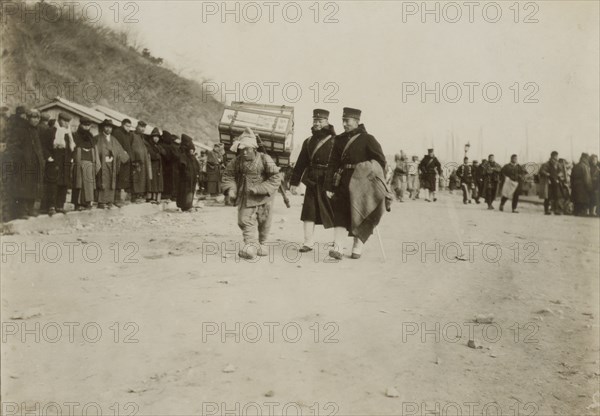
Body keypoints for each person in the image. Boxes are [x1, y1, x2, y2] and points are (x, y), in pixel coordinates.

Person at [325, 107, 387, 260]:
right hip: (343, 181)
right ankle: (338, 248)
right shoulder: (339, 140)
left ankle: (357, 248)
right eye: (343, 121)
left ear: (357, 121)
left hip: (362, 183)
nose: (344, 124)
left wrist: (370, 173)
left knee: (360, 213)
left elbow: (380, 161)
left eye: (347, 121)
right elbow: (332, 163)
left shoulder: (369, 139)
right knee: (339, 213)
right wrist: (328, 186)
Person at [221, 127, 282, 259]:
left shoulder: (265, 159)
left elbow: (275, 178)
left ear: (254, 148)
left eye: (247, 149)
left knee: (264, 220)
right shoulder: (236, 161)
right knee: (244, 220)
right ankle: (249, 245)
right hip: (245, 195)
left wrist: (259, 188)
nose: (244, 152)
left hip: (264, 197)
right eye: (242, 149)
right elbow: (228, 176)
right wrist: (231, 189)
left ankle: (262, 243)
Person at [289, 109, 336, 252]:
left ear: (327, 121)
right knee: (308, 211)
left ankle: (337, 241)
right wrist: (294, 182)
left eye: (320, 121)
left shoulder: (336, 140)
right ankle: (308, 242)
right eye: (315, 120)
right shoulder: (308, 141)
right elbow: (301, 163)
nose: (317, 123)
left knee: (335, 211)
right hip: (311, 180)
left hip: (329, 180)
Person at [5, 109, 45, 219]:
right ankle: (21, 212)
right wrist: (22, 157)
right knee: (23, 187)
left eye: (38, 118)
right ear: (28, 118)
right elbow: (13, 147)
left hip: (35, 163)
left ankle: (31, 209)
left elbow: (39, 147)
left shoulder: (36, 131)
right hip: (23, 163)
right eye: (33, 117)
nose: (36, 120)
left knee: (33, 187)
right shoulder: (21, 130)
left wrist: (41, 160)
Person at [41, 112, 74, 215]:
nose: (66, 123)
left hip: (65, 163)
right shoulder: (51, 131)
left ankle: (60, 206)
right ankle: (50, 206)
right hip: (54, 162)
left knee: (63, 184)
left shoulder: (68, 134)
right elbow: (44, 146)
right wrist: (49, 157)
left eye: (68, 121)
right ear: (59, 120)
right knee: (52, 184)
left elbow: (71, 148)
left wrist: (71, 158)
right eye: (64, 121)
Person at [95, 119, 129, 209]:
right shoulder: (97, 138)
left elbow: (121, 152)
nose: (108, 129)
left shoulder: (114, 139)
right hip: (102, 163)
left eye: (110, 127)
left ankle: (110, 200)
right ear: (103, 127)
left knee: (111, 181)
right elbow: (96, 151)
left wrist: (123, 155)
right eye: (106, 127)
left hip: (112, 163)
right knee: (102, 181)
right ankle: (101, 201)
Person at [71, 117, 100, 210]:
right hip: (79, 161)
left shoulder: (91, 136)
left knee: (89, 183)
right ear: (81, 125)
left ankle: (88, 202)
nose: (86, 127)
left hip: (90, 162)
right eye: (84, 125)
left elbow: (93, 148)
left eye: (88, 126)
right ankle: (78, 204)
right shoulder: (75, 135)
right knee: (79, 183)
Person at [176, 134, 201, 211]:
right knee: (184, 192)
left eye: (192, 150)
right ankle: (185, 206)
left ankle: (189, 205)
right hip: (185, 178)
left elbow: (197, 167)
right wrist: (186, 173)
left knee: (190, 192)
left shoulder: (193, 158)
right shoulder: (184, 156)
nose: (191, 151)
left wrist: (197, 174)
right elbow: (182, 165)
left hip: (192, 178)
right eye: (190, 150)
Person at [112, 119, 133, 206]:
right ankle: (116, 199)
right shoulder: (117, 132)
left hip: (127, 160)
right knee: (118, 179)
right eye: (127, 126)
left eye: (129, 126)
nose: (128, 128)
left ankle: (122, 199)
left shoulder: (128, 135)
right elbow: (115, 145)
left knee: (124, 180)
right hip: (119, 159)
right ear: (122, 125)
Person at [129, 121, 151, 203]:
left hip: (143, 162)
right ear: (137, 126)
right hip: (136, 161)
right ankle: (134, 196)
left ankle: (140, 195)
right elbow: (130, 148)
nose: (142, 129)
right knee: (136, 179)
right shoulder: (132, 135)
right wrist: (133, 160)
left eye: (144, 127)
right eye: (141, 127)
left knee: (142, 179)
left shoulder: (142, 137)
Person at [144, 127, 166, 203]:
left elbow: (164, 153)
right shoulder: (149, 145)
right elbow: (153, 155)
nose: (156, 139)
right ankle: (151, 198)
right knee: (152, 181)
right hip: (152, 165)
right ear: (152, 137)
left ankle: (157, 198)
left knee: (157, 181)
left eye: (157, 137)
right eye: (155, 137)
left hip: (158, 166)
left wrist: (159, 153)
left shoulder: (158, 146)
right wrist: (158, 154)